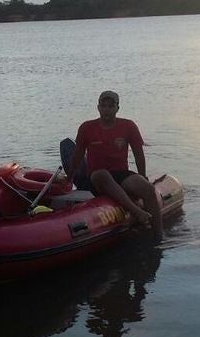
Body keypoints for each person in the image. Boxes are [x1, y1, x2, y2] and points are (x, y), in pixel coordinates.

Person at [66, 91, 162, 240]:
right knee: (101, 174)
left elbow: (138, 154)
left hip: (121, 173)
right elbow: (78, 155)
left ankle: (158, 237)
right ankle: (137, 212)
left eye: (111, 106)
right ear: (98, 107)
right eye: (103, 105)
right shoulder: (87, 127)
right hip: (97, 176)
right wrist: (69, 176)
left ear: (118, 108)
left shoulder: (128, 126)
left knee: (148, 189)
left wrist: (142, 175)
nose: (107, 109)